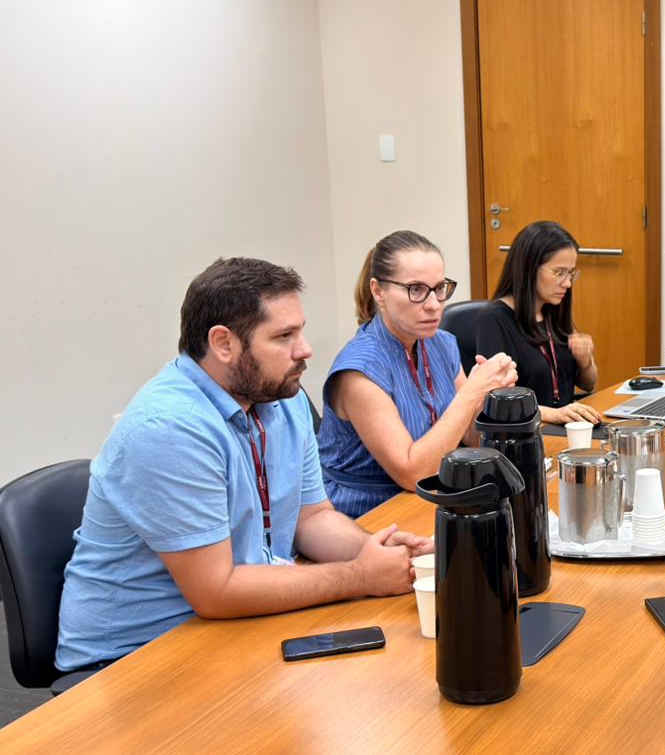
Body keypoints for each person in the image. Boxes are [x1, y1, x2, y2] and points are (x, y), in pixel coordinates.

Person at [56, 258, 429, 674]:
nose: (305, 349)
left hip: (229, 626)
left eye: (300, 330)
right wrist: (359, 576)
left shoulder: (281, 399)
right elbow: (217, 591)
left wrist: (374, 553)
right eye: (284, 336)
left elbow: (312, 518)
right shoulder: (169, 429)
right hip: (133, 657)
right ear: (223, 343)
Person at [318, 230, 518, 517]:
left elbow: (471, 439)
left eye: (439, 289)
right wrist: (472, 391)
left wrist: (489, 395)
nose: (434, 304)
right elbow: (412, 473)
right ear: (379, 292)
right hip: (368, 512)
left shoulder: (440, 343)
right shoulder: (358, 372)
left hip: (431, 494)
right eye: (416, 289)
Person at [473, 220, 601, 425]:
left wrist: (586, 362)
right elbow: (497, 400)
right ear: (529, 268)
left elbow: (588, 383)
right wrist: (554, 414)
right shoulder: (494, 320)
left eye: (571, 273)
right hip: (526, 432)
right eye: (559, 272)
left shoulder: (553, 310)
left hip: (565, 428)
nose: (567, 283)